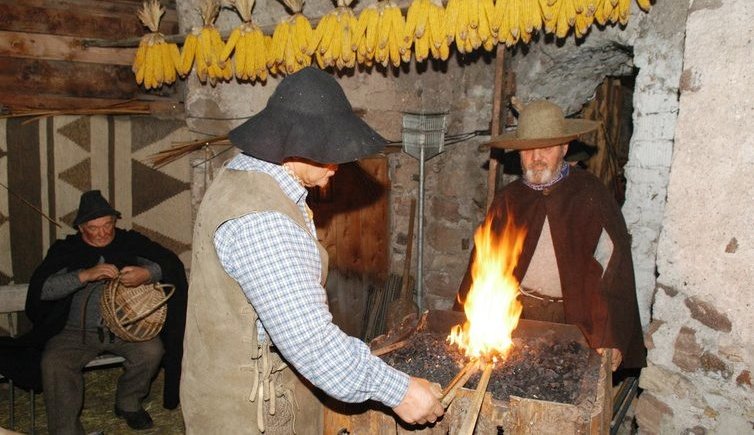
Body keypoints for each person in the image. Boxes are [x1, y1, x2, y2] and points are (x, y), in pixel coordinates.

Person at [180, 67, 444, 434]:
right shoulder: (264, 220)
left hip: (238, 391)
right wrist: (401, 392)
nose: (337, 166)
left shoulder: (241, 176)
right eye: (329, 153)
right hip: (251, 416)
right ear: (295, 147)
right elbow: (313, 345)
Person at [454, 99, 646, 371]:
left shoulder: (590, 195)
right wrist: (465, 323)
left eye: (546, 148)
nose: (537, 157)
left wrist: (609, 336)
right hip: (514, 316)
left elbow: (613, 270)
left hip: (574, 319)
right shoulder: (508, 199)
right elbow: (480, 268)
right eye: (528, 149)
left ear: (564, 148)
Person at [10, 190, 188, 434]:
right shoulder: (66, 250)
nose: (104, 232)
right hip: (73, 332)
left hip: (125, 327)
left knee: (152, 351)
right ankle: (66, 430)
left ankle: (128, 402)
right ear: (81, 228)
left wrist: (147, 274)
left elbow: (169, 263)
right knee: (54, 363)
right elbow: (43, 289)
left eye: (108, 225)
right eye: (95, 227)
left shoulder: (129, 242)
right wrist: (84, 275)